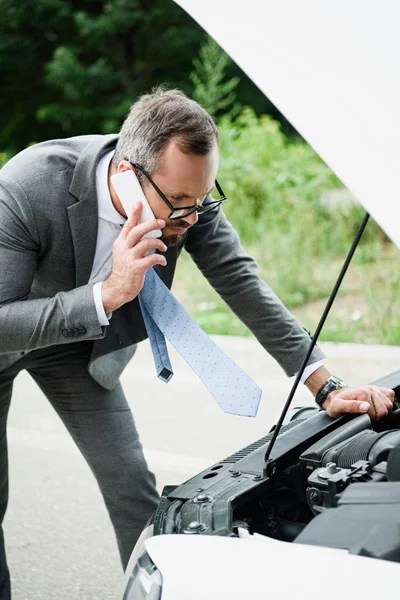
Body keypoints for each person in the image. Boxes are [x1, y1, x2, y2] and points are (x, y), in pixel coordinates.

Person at [0, 88, 394, 596]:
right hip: (10, 331)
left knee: (132, 486)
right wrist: (107, 294)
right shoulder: (27, 188)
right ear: (128, 177)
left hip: (80, 350)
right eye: (181, 205)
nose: (190, 218)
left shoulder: (186, 198)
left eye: (202, 201)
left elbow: (239, 279)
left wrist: (323, 385)